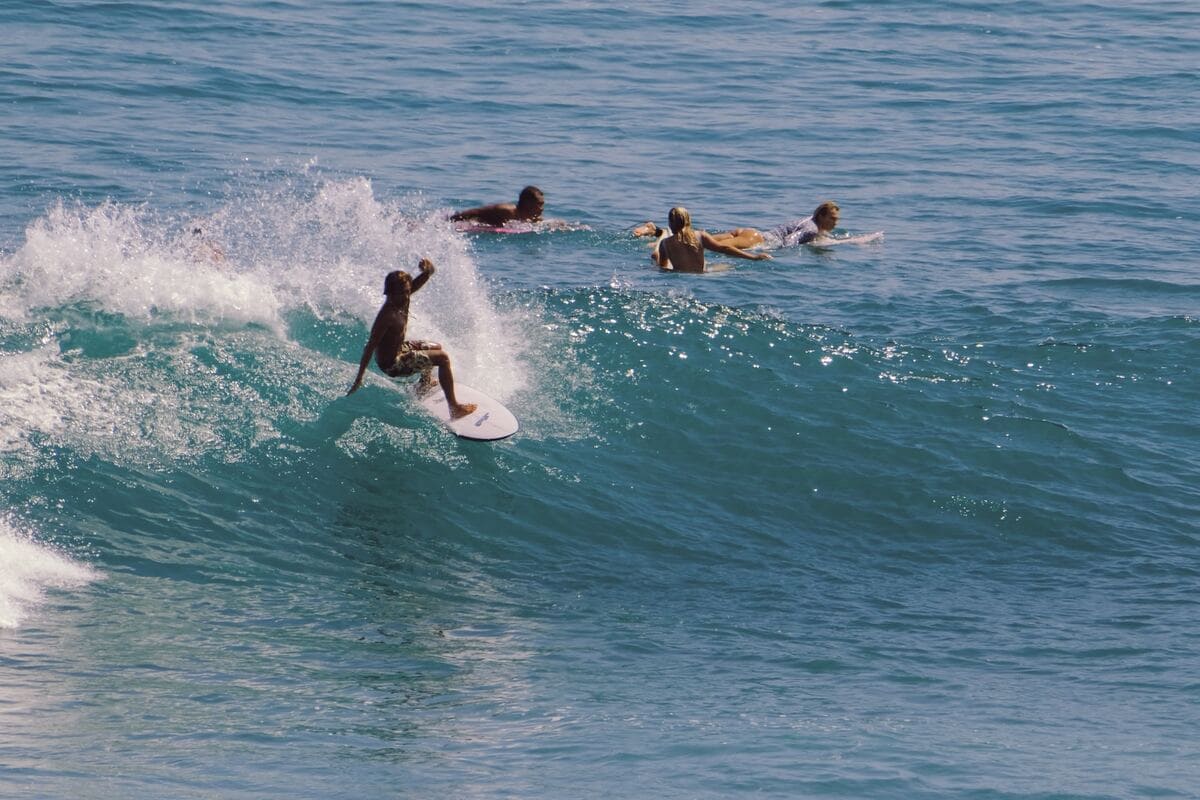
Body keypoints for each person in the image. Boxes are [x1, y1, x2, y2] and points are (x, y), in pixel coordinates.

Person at [347, 259, 477, 419]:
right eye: (402, 293)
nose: (407, 295)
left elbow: (427, 275)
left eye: (408, 291)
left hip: (400, 349)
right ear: (389, 292)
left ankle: (425, 383)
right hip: (392, 364)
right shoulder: (386, 316)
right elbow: (370, 346)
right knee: (442, 358)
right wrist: (359, 377)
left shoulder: (403, 297)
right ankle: (454, 408)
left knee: (436, 347)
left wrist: (428, 269)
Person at [635, 200, 842, 250]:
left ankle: (659, 233)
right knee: (705, 244)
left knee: (704, 238)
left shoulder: (807, 220)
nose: (835, 222)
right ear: (822, 215)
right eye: (833, 218)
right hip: (759, 239)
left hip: (751, 232)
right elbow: (789, 242)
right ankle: (661, 239)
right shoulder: (812, 228)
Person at [648, 206, 772, 273]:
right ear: (688, 220)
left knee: (655, 257)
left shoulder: (665, 244)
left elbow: (663, 267)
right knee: (726, 267)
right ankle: (659, 234)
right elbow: (724, 248)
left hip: (678, 277)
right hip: (701, 276)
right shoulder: (700, 235)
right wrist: (753, 257)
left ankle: (661, 233)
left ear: (670, 223)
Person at [450, 185, 544, 227]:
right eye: (539, 205)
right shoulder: (506, 211)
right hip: (470, 221)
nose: (542, 209)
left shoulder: (531, 217)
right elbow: (477, 212)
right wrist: (452, 219)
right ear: (528, 203)